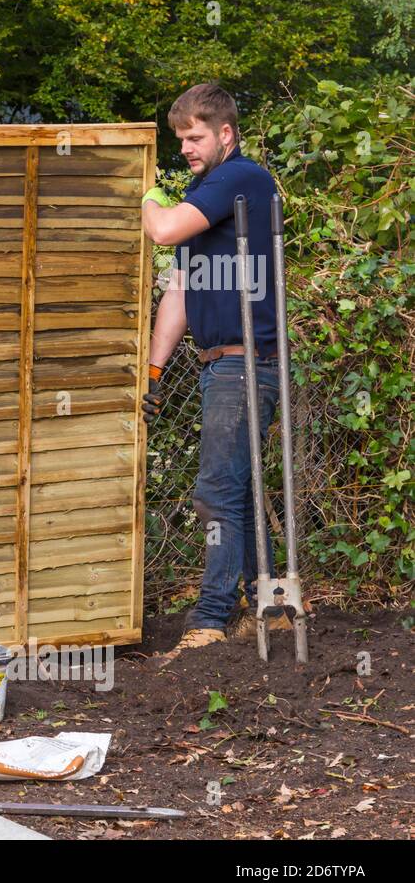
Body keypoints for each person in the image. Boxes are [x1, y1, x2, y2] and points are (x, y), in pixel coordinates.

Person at [139, 83, 291, 660]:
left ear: (225, 133)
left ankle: (209, 620)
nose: (186, 147)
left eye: (195, 136)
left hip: (247, 362)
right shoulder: (207, 193)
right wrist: (155, 371)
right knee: (242, 490)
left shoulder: (243, 177)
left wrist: (149, 198)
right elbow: (179, 289)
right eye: (180, 138)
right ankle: (273, 607)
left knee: (215, 493)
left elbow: (163, 229)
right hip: (217, 366)